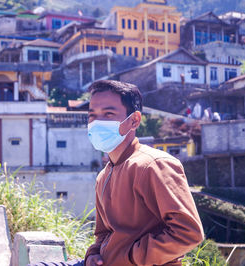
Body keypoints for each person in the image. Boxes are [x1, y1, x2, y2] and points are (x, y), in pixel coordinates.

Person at [85, 80, 204, 266]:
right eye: (92, 116)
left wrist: (132, 258)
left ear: (134, 120)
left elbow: (188, 233)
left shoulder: (155, 165)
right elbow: (103, 233)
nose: (97, 122)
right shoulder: (104, 175)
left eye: (108, 114)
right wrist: (94, 253)